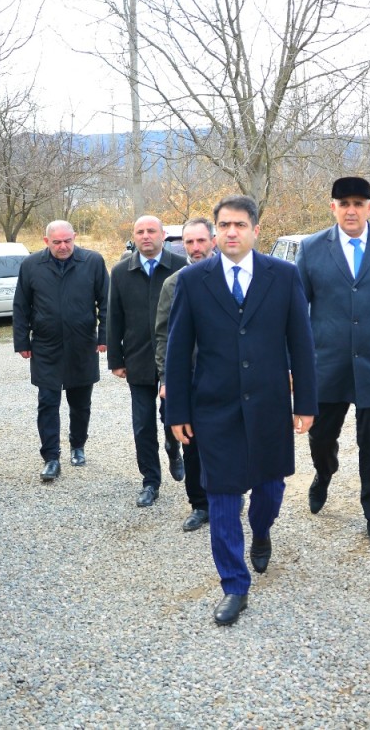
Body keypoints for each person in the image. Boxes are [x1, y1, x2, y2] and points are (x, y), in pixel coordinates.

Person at [165, 195, 317, 626]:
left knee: (269, 492)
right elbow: (178, 351)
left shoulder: (283, 276)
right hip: (214, 408)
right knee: (223, 498)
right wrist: (177, 411)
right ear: (215, 233)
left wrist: (305, 402)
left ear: (254, 230)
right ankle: (234, 585)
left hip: (269, 406)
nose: (231, 232)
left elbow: (301, 345)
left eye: (240, 225)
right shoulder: (193, 281)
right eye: (224, 225)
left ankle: (263, 529)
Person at [295, 176, 370, 550]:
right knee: (321, 436)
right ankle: (324, 472)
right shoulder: (311, 249)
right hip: (326, 366)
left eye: (359, 203)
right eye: (344, 204)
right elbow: (296, 313)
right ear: (333, 208)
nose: (351, 210)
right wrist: (294, 365)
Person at [13, 220, 109, 483]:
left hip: (82, 344)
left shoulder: (93, 262)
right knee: (47, 402)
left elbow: (106, 302)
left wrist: (105, 336)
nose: (63, 246)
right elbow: (21, 304)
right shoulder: (31, 265)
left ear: (74, 237)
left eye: (68, 240)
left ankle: (78, 445)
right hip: (46, 346)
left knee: (80, 403)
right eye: (57, 242)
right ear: (46, 242)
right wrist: (22, 341)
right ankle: (51, 457)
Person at [108, 215, 187, 507]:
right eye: (140, 231)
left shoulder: (181, 268)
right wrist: (116, 359)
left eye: (151, 231)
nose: (146, 236)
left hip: (172, 360)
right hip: (138, 359)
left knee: (171, 416)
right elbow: (113, 316)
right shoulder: (120, 273)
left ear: (163, 235)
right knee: (142, 424)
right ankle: (150, 481)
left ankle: (173, 446)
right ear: (133, 236)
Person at [154, 218, 217, 532]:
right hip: (190, 379)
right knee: (192, 446)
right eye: (189, 243)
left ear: (213, 241)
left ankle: (230, 494)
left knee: (229, 442)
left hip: (228, 378)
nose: (195, 248)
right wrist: (167, 379)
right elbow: (164, 335)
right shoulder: (173, 284)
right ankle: (200, 504)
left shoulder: (234, 277)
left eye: (200, 241)